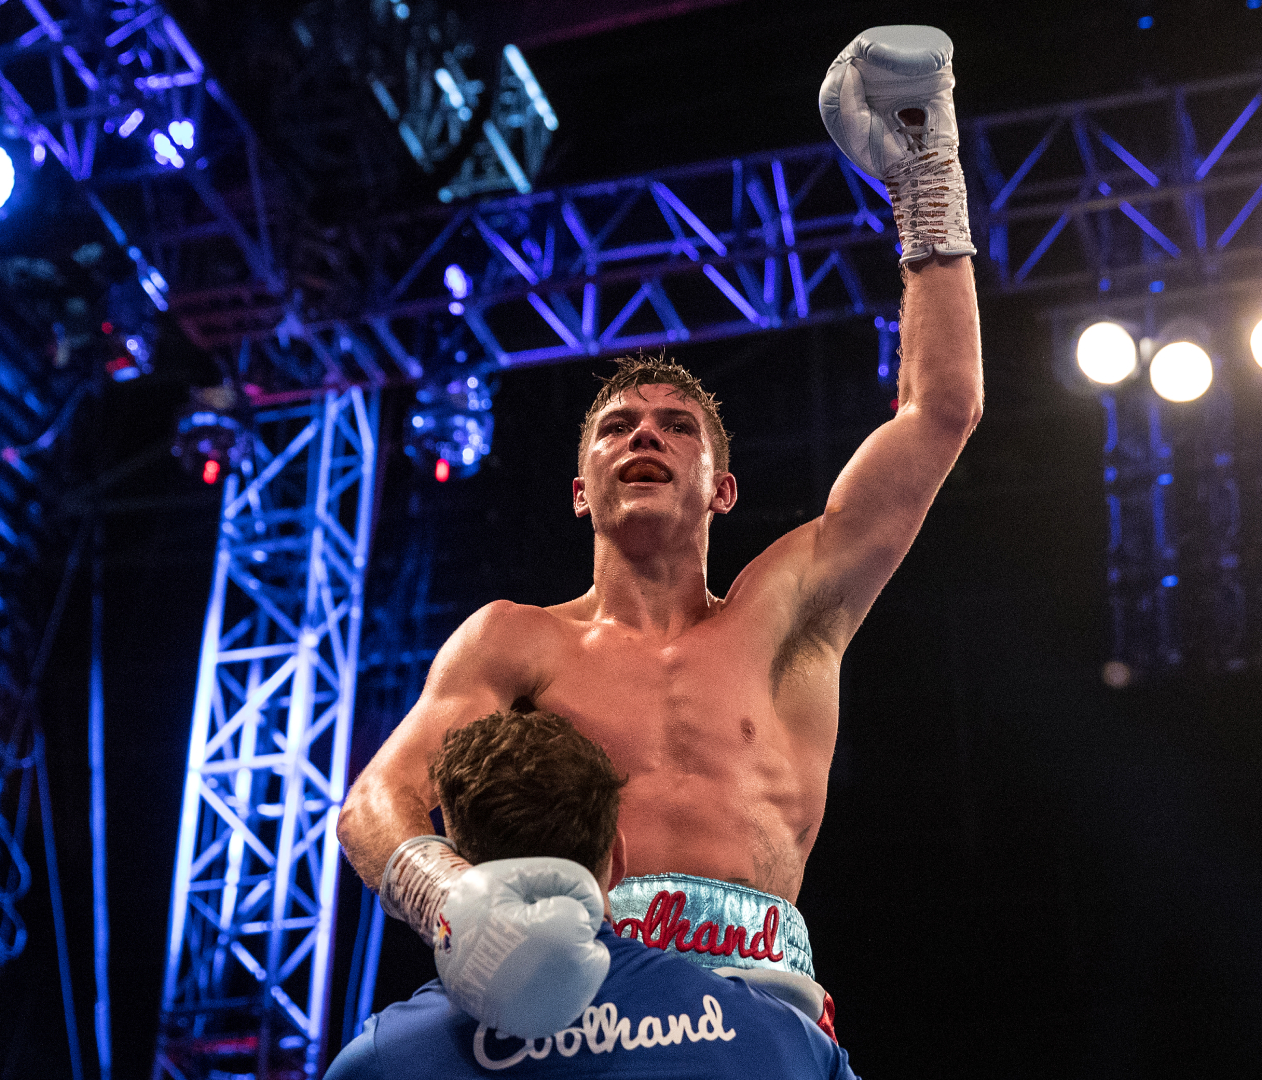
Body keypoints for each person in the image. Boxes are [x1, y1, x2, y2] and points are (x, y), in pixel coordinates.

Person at [338, 24, 983, 1038]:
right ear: (580, 490)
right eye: (617, 428)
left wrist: (928, 180)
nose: (646, 434)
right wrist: (448, 897)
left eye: (677, 428)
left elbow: (937, 413)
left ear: (721, 488)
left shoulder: (788, 614)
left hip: (761, 1005)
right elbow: (378, 796)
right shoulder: (516, 637)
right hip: (575, 1000)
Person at [325, 709, 855, 1079]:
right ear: (618, 857)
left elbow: (366, 807)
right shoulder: (782, 1039)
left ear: (465, 863)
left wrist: (442, 898)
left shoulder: (383, 1058)